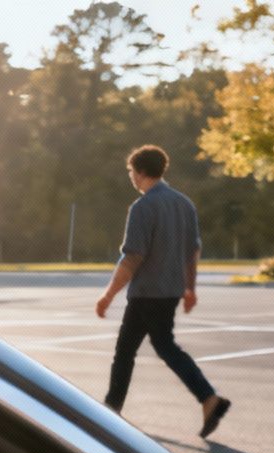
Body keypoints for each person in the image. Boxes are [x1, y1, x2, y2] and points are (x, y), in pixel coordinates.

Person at [95, 144, 231, 437]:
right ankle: (208, 399)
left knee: (125, 352)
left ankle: (111, 411)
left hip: (146, 293)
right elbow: (192, 251)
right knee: (165, 346)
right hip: (170, 292)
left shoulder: (143, 207)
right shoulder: (184, 204)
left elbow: (133, 256)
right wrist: (189, 288)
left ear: (141, 172)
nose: (131, 176)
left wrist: (108, 296)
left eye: (131, 171)